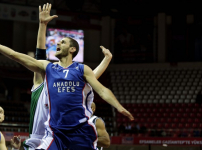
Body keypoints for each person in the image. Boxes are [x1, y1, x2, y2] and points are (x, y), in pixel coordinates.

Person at [0, 4, 134, 150]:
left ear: (72, 49)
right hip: (47, 135)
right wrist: (42, 24)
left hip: (77, 132)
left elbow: (98, 87)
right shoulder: (47, 71)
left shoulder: (79, 70)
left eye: (62, 41)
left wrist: (119, 106)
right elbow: (18, 56)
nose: (57, 42)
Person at [23, 3, 114, 150]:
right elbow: (40, 54)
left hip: (57, 138)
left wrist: (107, 60)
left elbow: (89, 78)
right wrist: (42, 25)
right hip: (37, 140)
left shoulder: (66, 89)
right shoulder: (42, 81)